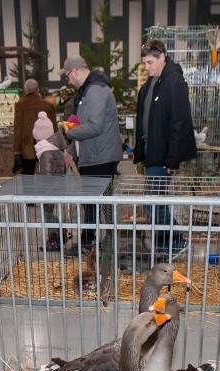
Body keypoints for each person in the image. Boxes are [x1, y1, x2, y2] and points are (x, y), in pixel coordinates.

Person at [133, 39, 198, 258]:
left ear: (162, 56)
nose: (147, 67)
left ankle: (175, 242)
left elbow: (181, 123)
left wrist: (172, 159)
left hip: (163, 156)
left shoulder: (174, 81)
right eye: (145, 63)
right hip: (153, 152)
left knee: (153, 202)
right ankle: (165, 243)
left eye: (150, 62)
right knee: (153, 200)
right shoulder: (154, 81)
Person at [58, 55, 121, 246]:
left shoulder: (95, 91)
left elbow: (94, 127)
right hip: (95, 154)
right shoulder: (88, 90)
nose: (68, 80)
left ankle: (92, 241)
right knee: (94, 202)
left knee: (94, 202)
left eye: (67, 76)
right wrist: (71, 151)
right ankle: (94, 239)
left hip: (100, 156)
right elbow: (86, 125)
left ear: (75, 71)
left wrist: (70, 132)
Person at [32, 112, 70, 251]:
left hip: (48, 190)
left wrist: (41, 188)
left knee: (48, 215)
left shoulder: (46, 152)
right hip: (55, 187)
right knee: (49, 214)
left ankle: (57, 237)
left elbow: (46, 175)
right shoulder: (54, 149)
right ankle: (60, 234)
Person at [12, 78, 57, 175]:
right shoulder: (48, 105)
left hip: (27, 150)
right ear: (38, 90)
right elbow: (55, 128)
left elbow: (18, 129)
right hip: (46, 147)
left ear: (25, 90)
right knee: (46, 177)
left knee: (28, 178)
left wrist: (16, 149)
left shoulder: (20, 105)